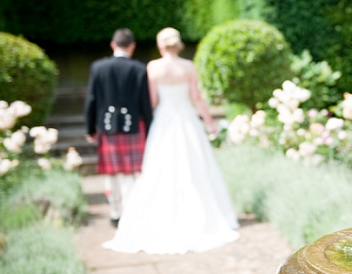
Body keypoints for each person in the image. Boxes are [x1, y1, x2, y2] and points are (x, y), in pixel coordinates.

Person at [103, 27, 239, 254]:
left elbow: (152, 100)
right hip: (188, 121)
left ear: (160, 45)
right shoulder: (188, 67)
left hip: (164, 122)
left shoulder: (153, 67)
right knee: (196, 167)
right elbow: (196, 98)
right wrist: (209, 122)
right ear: (178, 44)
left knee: (160, 169)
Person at [85, 28, 153, 227]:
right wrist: (150, 129)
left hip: (107, 127)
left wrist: (90, 128)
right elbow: (145, 104)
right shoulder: (139, 69)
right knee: (131, 172)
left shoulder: (98, 68)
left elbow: (91, 100)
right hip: (133, 127)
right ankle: (131, 211)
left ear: (113, 45)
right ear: (132, 46)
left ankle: (115, 213)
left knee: (111, 173)